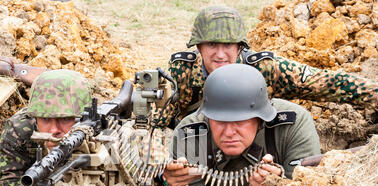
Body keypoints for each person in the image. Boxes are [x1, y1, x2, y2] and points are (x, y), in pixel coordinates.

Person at [153, 5, 378, 128]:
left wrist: (374, 94)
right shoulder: (179, 72)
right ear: (198, 47)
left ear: (240, 47)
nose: (220, 54)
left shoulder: (263, 69)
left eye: (228, 45)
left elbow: (322, 82)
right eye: (212, 44)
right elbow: (152, 128)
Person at [161, 64, 320, 186]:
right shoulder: (191, 133)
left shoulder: (292, 125)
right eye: (220, 121)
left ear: (260, 117)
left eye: (240, 121)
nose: (229, 132)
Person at [0, 69, 93, 186]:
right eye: (45, 119)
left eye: (64, 119)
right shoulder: (20, 130)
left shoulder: (98, 130)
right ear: (35, 118)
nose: (53, 130)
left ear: (83, 118)